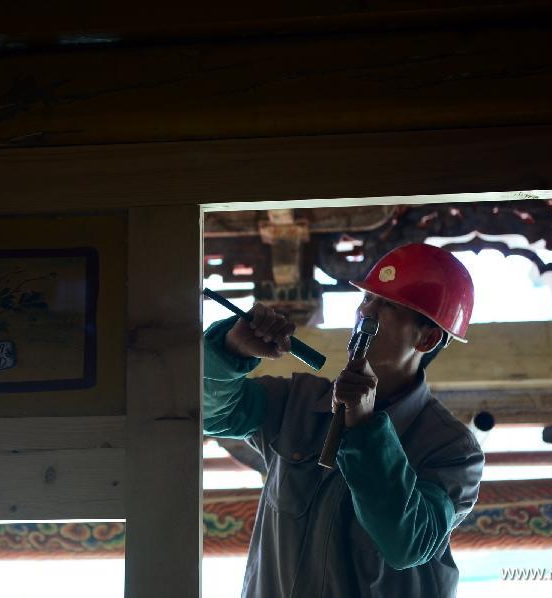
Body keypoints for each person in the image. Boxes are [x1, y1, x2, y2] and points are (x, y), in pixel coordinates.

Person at [203, 243, 485, 597]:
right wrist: (230, 351)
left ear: (427, 338)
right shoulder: (298, 403)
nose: (367, 313)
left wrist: (366, 429)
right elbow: (210, 412)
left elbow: (408, 543)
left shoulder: (452, 450)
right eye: (367, 299)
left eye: (388, 306)